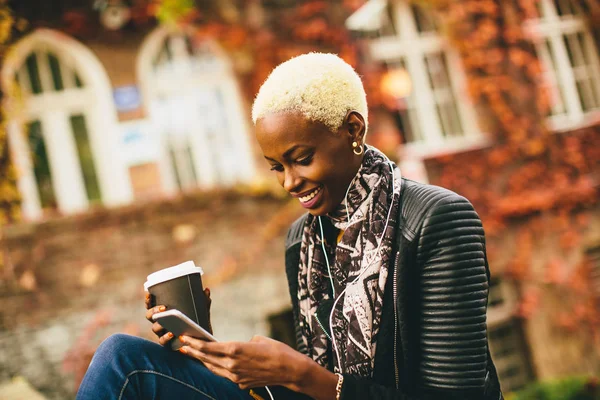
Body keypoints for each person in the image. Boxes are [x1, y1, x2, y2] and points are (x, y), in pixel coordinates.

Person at [76, 53, 503, 400]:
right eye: (277, 167)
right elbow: (301, 388)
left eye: (301, 158)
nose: (289, 182)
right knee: (126, 361)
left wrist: (303, 376)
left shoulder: (437, 219)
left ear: (353, 129)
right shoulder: (303, 240)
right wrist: (206, 346)